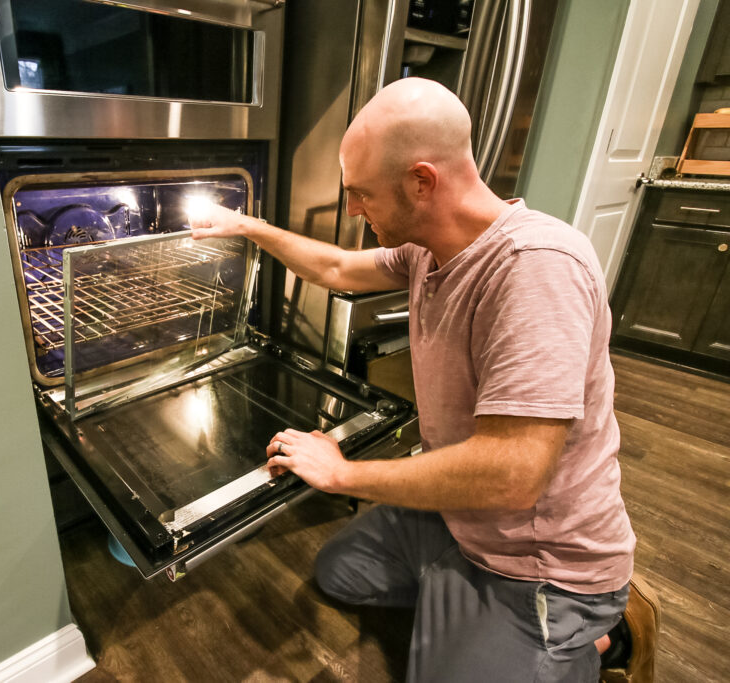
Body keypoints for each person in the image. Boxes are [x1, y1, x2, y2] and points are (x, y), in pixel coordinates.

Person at [189, 78, 658, 683]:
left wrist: (344, 474)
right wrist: (246, 228)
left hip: (542, 560)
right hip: (462, 515)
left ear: (421, 181)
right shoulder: (427, 250)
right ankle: (462, 596)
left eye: (362, 195)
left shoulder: (535, 270)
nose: (353, 210)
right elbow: (334, 267)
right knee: (340, 571)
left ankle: (599, 637)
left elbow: (514, 473)